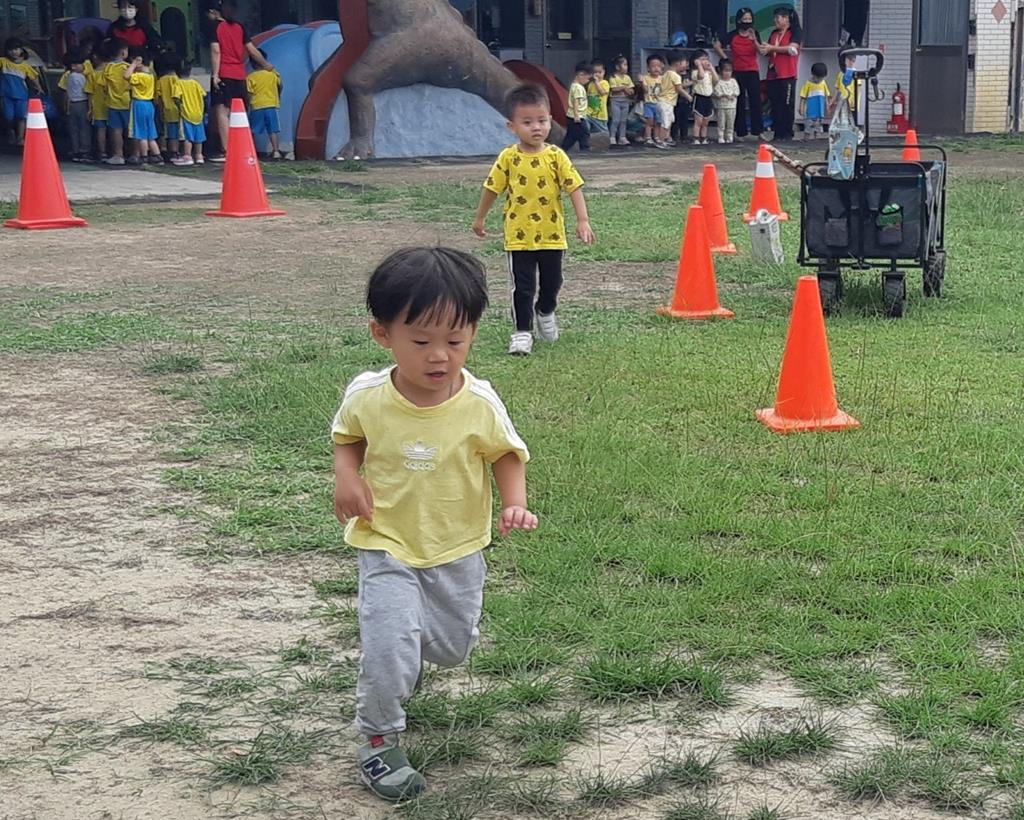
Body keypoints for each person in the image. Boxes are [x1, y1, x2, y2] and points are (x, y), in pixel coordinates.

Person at [331, 246, 537, 802]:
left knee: (450, 647)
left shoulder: (480, 403)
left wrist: (514, 502)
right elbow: (348, 438)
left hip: (457, 544)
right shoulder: (368, 396)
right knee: (389, 642)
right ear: (383, 334)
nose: (440, 356)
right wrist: (346, 475)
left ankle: (408, 659)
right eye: (421, 341)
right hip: (386, 540)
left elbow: (506, 453)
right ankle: (378, 737)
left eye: (456, 340)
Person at [472, 84, 595, 356]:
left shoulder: (556, 156)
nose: (536, 127)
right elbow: (492, 188)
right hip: (519, 238)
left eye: (541, 120)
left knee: (553, 282)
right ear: (512, 126)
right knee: (523, 287)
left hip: (552, 236)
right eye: (527, 122)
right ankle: (522, 332)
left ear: (550, 120)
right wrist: (480, 218)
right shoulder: (508, 158)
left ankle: (546, 311)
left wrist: (583, 220)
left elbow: (574, 187)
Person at [206, 0, 274, 161]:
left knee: (222, 112)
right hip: (239, 75)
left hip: (224, 74)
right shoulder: (240, 27)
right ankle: (242, 148)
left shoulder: (215, 27)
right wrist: (266, 65)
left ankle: (227, 150)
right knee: (239, 113)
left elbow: (216, 51)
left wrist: (215, 75)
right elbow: (252, 50)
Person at [714, 7, 763, 140]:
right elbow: (717, 45)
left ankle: (758, 131)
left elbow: (761, 51)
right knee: (738, 101)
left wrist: (754, 39)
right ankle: (740, 132)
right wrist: (726, 60)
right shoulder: (733, 34)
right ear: (739, 20)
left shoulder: (755, 33)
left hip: (752, 70)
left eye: (749, 19)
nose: (747, 21)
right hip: (737, 71)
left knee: (756, 101)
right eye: (744, 19)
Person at [760, 7, 802, 141]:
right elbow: (769, 51)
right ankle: (777, 133)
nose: (776, 20)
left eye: (779, 17)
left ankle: (787, 133)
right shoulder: (774, 33)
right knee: (775, 105)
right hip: (773, 74)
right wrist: (764, 48)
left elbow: (792, 50)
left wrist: (772, 48)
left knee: (786, 105)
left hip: (787, 74)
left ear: (787, 19)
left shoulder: (795, 32)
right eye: (775, 17)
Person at [1, 38, 42, 147]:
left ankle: (20, 137)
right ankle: (10, 132)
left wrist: (38, 87)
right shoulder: (3, 62)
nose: (14, 52)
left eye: (16, 49)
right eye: (11, 50)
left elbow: (33, 77)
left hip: (21, 95)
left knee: (21, 116)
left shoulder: (25, 65)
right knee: (8, 116)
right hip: (6, 95)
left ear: (21, 50)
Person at [125, 47, 162, 164]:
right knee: (150, 133)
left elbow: (126, 76)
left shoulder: (140, 76)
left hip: (139, 104)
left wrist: (133, 64)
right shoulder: (151, 76)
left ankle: (144, 156)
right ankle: (157, 155)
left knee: (141, 133)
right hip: (149, 104)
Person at [246, 49, 284, 158]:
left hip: (257, 106)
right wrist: (278, 96)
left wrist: (248, 104)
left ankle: (251, 150)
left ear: (252, 64)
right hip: (271, 105)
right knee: (273, 129)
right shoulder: (272, 74)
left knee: (253, 129)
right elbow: (280, 85)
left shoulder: (250, 77)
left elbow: (249, 93)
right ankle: (276, 151)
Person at [172, 60, 207, 165]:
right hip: (198, 113)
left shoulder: (178, 83)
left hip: (186, 113)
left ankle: (187, 156)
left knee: (187, 136)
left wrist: (179, 105)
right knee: (199, 136)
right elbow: (203, 95)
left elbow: (176, 97)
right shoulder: (195, 83)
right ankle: (199, 155)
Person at [102, 40, 131, 164]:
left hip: (112, 103)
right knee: (130, 129)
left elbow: (104, 85)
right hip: (127, 102)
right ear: (123, 53)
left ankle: (118, 155)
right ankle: (134, 153)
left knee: (116, 130)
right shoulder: (128, 67)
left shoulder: (108, 67)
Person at [63, 53, 91, 161]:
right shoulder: (80, 77)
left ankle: (75, 149)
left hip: (72, 104)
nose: (83, 66)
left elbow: (66, 92)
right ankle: (84, 150)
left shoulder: (68, 76)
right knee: (84, 127)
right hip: (82, 103)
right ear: (73, 66)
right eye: (81, 64)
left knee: (74, 128)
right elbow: (87, 90)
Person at [86, 42, 110, 161]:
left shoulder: (93, 74)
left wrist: (89, 109)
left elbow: (89, 92)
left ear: (95, 57)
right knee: (117, 129)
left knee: (101, 130)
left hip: (98, 107)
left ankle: (102, 152)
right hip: (114, 104)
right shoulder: (113, 72)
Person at [561, 62, 591, 153]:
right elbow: (576, 101)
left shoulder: (574, 85)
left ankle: (563, 149)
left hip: (572, 116)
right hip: (577, 117)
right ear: (581, 74)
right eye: (588, 78)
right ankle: (585, 150)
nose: (588, 81)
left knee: (571, 136)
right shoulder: (578, 87)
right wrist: (577, 115)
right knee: (584, 134)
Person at [640, 54, 668, 149]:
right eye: (653, 66)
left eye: (658, 66)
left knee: (658, 122)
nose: (656, 68)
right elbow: (645, 90)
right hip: (649, 103)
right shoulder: (646, 78)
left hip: (659, 104)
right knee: (650, 121)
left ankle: (656, 137)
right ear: (648, 68)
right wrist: (641, 82)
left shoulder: (663, 78)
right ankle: (648, 138)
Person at [690, 49, 717, 145]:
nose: (705, 61)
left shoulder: (709, 73)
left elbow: (716, 80)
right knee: (698, 121)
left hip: (708, 98)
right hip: (699, 97)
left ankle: (704, 138)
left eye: (707, 59)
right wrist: (699, 65)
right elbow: (701, 76)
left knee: (706, 121)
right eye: (702, 59)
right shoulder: (695, 72)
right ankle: (696, 138)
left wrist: (712, 68)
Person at [607, 56, 634, 147]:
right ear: (617, 67)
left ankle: (622, 137)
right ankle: (612, 137)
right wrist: (623, 88)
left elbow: (631, 89)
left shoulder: (627, 78)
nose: (626, 67)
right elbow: (613, 89)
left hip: (625, 101)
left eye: (627, 65)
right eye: (624, 65)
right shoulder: (613, 77)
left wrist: (630, 91)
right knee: (615, 120)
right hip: (615, 101)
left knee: (623, 120)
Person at [799, 62, 830, 140]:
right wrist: (801, 108)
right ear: (813, 75)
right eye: (818, 78)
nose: (819, 80)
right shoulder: (808, 84)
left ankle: (817, 138)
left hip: (820, 110)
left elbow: (826, 96)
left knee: (818, 125)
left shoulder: (823, 83)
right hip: (810, 109)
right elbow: (803, 97)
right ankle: (806, 138)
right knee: (808, 124)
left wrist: (827, 106)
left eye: (821, 78)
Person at [668, 51, 693, 146]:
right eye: (684, 62)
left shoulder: (689, 74)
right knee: (675, 120)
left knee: (684, 120)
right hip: (676, 101)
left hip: (685, 102)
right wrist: (688, 95)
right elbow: (678, 88)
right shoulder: (675, 75)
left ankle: (684, 137)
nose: (686, 64)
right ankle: (673, 136)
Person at [714, 59, 740, 143]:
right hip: (721, 106)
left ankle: (729, 136)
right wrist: (724, 95)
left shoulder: (733, 81)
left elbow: (737, 91)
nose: (728, 73)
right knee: (721, 122)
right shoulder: (719, 82)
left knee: (730, 122)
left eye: (729, 71)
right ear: (721, 71)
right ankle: (721, 136)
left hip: (732, 106)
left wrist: (733, 95)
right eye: (726, 71)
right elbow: (716, 92)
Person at [585, 59, 609, 135]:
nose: (597, 74)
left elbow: (602, 92)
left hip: (600, 115)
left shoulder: (605, 83)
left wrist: (596, 82)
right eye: (595, 72)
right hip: (589, 113)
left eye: (600, 72)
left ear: (604, 72)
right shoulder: (590, 84)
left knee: (603, 133)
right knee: (585, 126)